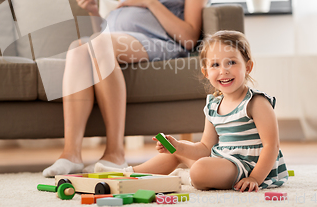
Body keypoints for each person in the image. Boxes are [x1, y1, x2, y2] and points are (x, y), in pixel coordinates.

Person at [42, 0, 211, 177]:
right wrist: (93, 9)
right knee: (77, 49)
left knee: (101, 44)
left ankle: (116, 152)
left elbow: (190, 36)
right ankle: (71, 153)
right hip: (118, 40)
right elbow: (110, 26)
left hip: (163, 42)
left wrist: (150, 2)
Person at [96, 30, 289, 192]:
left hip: (249, 166)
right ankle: (128, 174)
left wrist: (255, 178)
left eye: (231, 62)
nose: (224, 70)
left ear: (248, 67)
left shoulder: (256, 102)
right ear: (206, 73)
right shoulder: (213, 105)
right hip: (222, 160)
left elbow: (271, 146)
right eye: (215, 65)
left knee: (200, 170)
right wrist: (177, 146)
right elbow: (205, 148)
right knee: (176, 152)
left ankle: (188, 176)